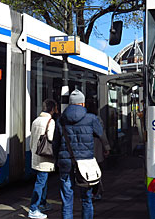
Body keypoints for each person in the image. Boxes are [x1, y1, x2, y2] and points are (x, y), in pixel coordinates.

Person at [53, 89, 104, 219]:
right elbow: (99, 133)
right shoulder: (91, 118)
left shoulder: (60, 120)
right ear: (82, 103)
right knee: (86, 198)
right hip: (85, 163)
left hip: (65, 161)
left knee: (67, 198)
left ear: (70, 103)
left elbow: (56, 143)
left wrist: (57, 159)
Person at [28, 99, 58, 219]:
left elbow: (31, 140)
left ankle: (43, 203)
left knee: (42, 181)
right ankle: (33, 208)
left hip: (36, 155)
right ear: (52, 109)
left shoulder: (36, 120)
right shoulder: (50, 121)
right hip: (45, 157)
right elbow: (50, 137)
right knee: (40, 183)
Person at [86, 100, 110, 201]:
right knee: (96, 171)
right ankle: (95, 192)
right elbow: (102, 135)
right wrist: (107, 148)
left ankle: (87, 193)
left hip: (85, 149)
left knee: (86, 172)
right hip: (97, 147)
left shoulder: (82, 119)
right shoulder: (97, 119)